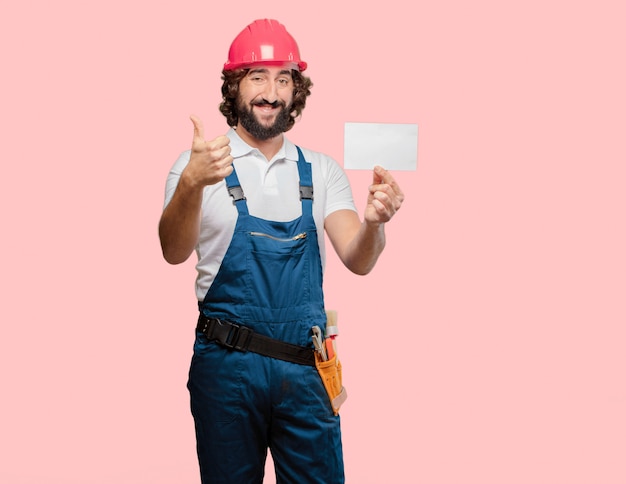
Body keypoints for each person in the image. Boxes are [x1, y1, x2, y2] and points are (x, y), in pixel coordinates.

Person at [159, 18, 404, 484]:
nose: (271, 91)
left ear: (297, 91)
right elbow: (173, 251)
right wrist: (191, 184)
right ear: (233, 87)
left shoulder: (321, 169)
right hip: (226, 369)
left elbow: (360, 258)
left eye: (284, 78)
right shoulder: (197, 167)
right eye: (257, 76)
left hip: (306, 370)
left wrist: (375, 224)